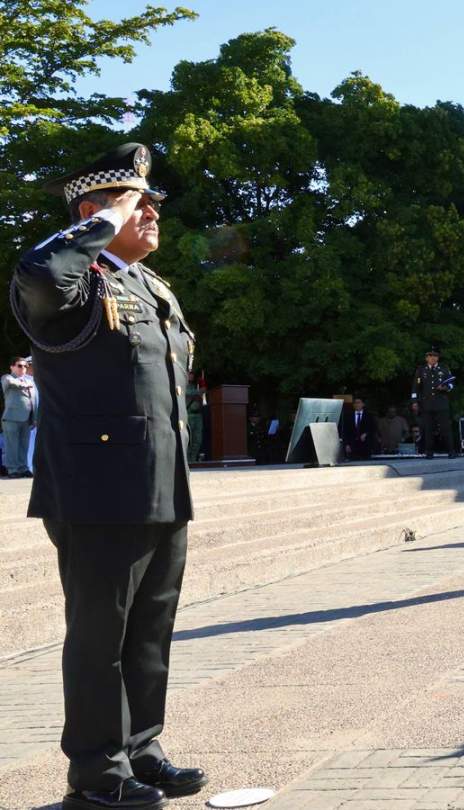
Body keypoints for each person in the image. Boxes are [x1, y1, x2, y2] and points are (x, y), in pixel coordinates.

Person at [10, 143, 207, 807]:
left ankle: (141, 750)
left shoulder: (150, 286)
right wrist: (105, 218)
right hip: (96, 491)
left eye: (151, 203)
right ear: (91, 213)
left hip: (161, 483)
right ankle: (96, 773)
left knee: (149, 631)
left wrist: (120, 210)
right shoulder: (68, 282)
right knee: (101, 638)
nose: (151, 212)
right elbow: (40, 271)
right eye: (135, 202)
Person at [412, 348, 455, 459]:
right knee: (428, 429)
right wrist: (414, 401)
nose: (433, 358)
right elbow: (416, 387)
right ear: (426, 358)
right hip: (427, 404)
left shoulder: (444, 369)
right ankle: (429, 452)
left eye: (435, 356)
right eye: (430, 356)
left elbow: (451, 384)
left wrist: (445, 388)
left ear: (438, 358)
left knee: (445, 428)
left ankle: (451, 451)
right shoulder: (421, 370)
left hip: (441, 404)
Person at [2, 356, 36, 478]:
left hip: (27, 419)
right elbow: (12, 382)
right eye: (20, 366)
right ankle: (12, 470)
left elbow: (33, 401)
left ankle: (23, 468)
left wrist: (35, 418)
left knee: (24, 445)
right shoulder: (7, 378)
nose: (23, 368)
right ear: (12, 367)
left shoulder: (30, 381)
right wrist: (25, 384)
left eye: (25, 366)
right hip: (11, 418)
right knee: (12, 445)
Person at [340, 396, 379, 460]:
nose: (356, 404)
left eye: (358, 402)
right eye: (355, 403)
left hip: (365, 447)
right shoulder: (348, 416)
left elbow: (373, 428)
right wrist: (346, 445)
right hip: (352, 446)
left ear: (363, 404)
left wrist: (366, 433)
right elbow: (345, 432)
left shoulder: (369, 415)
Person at [183, 372, 204, 464]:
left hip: (198, 416)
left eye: (192, 374)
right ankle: (187, 461)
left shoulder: (195, 386)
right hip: (189, 415)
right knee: (189, 440)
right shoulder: (183, 386)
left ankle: (193, 459)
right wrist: (199, 391)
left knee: (198, 439)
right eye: (189, 374)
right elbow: (186, 393)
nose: (191, 376)